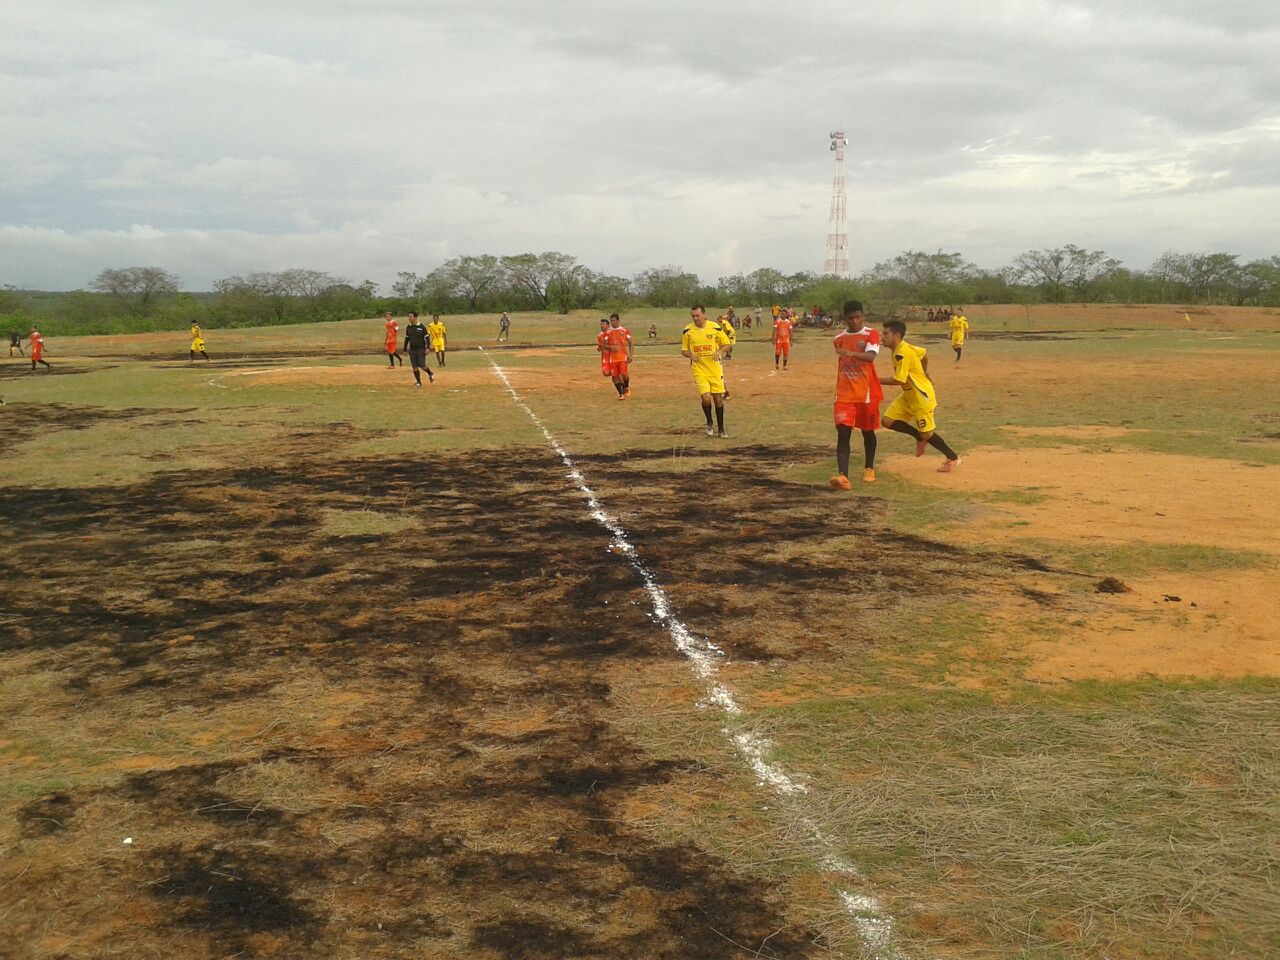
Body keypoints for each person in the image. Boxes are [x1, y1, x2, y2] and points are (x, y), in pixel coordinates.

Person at [879, 319, 960, 472]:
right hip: (908, 395)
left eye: (885, 333)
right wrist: (925, 371)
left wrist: (874, 381)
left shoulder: (902, 353)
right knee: (887, 421)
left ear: (896, 335)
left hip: (921, 397)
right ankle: (919, 437)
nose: (882, 337)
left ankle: (953, 457)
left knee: (928, 433)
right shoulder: (904, 346)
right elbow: (923, 353)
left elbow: (898, 379)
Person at [829, 300, 883, 489]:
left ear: (863, 316)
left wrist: (850, 352)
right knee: (843, 432)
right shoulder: (838, 338)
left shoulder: (871, 334)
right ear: (845, 319)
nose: (855, 321)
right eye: (851, 318)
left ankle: (869, 467)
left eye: (858, 317)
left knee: (868, 432)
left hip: (867, 393)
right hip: (844, 393)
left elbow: (870, 357)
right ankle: (843, 476)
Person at [681, 305, 730, 438]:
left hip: (714, 369)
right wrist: (691, 355)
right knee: (706, 398)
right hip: (699, 369)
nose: (695, 318)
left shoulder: (715, 327)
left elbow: (727, 343)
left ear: (704, 314)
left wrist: (719, 352)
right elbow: (684, 350)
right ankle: (709, 422)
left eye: (697, 315)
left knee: (718, 399)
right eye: (693, 316)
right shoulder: (687, 330)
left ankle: (721, 429)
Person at [603, 312, 633, 399]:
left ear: (618, 320)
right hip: (612, 358)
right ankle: (621, 394)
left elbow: (630, 343)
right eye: (611, 321)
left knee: (624, 374)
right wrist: (611, 347)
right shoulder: (608, 332)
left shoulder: (624, 330)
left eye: (614, 320)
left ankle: (626, 387)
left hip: (622, 356)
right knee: (615, 377)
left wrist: (630, 355)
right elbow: (604, 345)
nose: (612, 322)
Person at [402, 311, 435, 388]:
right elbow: (407, 339)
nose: (409, 318)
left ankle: (430, 373)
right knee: (414, 367)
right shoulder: (409, 327)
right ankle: (419, 382)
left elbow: (427, 338)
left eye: (411, 316)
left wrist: (427, 348)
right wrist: (404, 349)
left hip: (421, 349)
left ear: (415, 317)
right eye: (408, 316)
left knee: (422, 365)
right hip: (412, 350)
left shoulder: (421, 327)